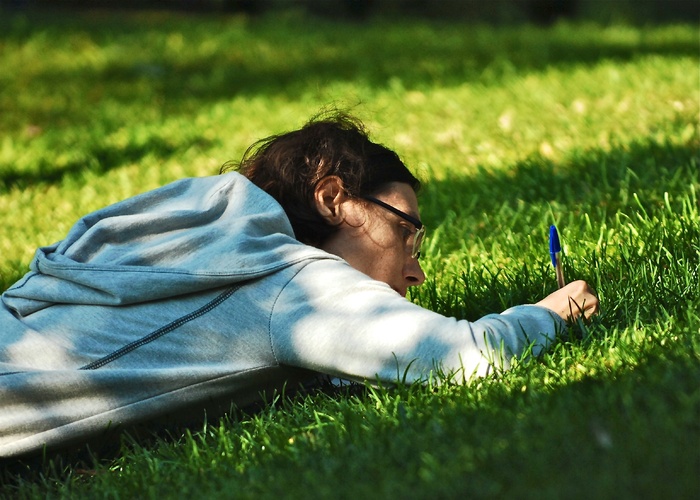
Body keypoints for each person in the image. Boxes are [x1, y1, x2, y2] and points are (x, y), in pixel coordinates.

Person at [0, 112, 598, 458]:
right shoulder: (290, 286)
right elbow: (464, 358)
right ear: (335, 199)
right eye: (407, 234)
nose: (416, 270)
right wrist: (550, 312)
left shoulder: (197, 209)